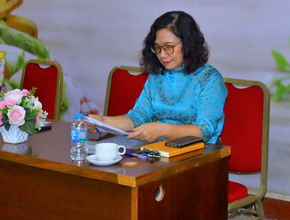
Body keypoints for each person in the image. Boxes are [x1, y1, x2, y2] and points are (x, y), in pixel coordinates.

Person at [89, 11, 227, 144]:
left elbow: (205, 130)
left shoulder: (210, 78)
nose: (162, 54)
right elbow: (138, 117)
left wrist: (163, 130)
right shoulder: (157, 75)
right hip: (161, 149)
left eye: (169, 47)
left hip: (201, 152)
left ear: (188, 44)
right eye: (157, 47)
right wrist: (102, 121)